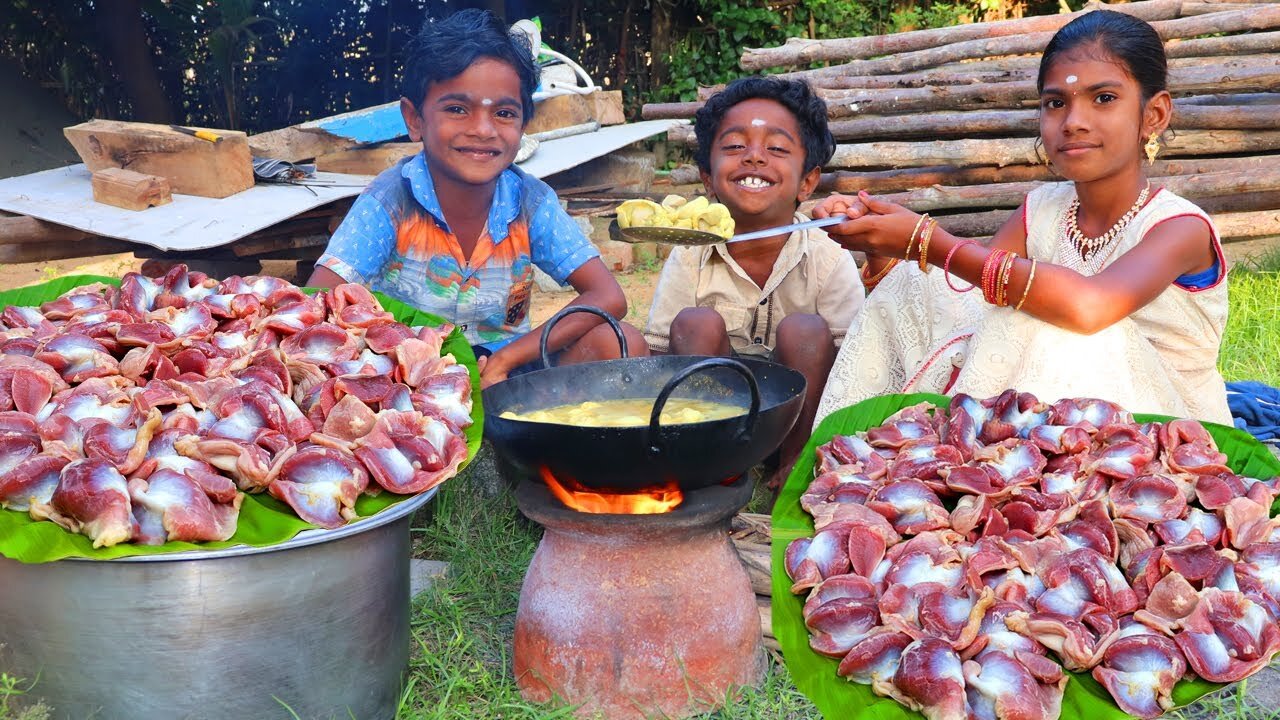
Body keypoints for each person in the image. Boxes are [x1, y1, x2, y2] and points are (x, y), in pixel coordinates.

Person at [812, 10, 1230, 426]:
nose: (1074, 123)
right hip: (1053, 412)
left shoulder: (1181, 228)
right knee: (920, 285)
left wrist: (927, 241)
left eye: (1103, 98)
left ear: (1154, 115)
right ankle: (864, 455)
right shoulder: (1043, 209)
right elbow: (966, 301)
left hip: (1163, 422)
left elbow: (1089, 308)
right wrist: (881, 246)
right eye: (1055, 103)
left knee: (1048, 326)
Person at [306, 9, 637, 387]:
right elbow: (318, 300)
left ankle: (565, 444)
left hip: (507, 373)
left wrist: (509, 357)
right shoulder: (391, 200)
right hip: (409, 375)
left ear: (523, 125)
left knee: (620, 340)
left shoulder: (529, 201)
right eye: (457, 109)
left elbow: (608, 296)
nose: (482, 129)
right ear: (414, 119)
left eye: (504, 112)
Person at [643, 77, 864, 487]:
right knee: (696, 323)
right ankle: (708, 463)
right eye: (734, 147)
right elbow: (659, 353)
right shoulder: (691, 253)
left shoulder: (828, 255)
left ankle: (795, 465)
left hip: (798, 415)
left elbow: (853, 362)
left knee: (807, 329)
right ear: (708, 178)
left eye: (777, 149)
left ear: (808, 182)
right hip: (718, 412)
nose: (754, 158)